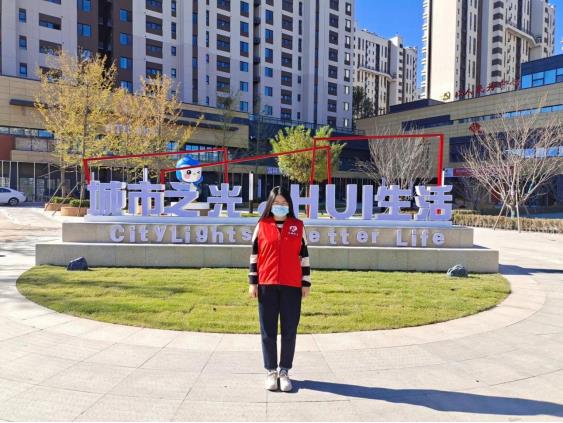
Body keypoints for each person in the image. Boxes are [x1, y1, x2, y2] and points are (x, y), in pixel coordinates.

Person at [248, 186, 311, 392]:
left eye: (284, 203)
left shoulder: (298, 226)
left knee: (289, 329)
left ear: (289, 205)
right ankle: (270, 371)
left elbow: (304, 256)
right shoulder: (262, 226)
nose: (280, 206)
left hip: (292, 285)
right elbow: (254, 257)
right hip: (266, 284)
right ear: (270, 204)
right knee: (268, 330)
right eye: (276, 203)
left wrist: (306, 282)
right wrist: (253, 282)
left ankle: (284, 371)